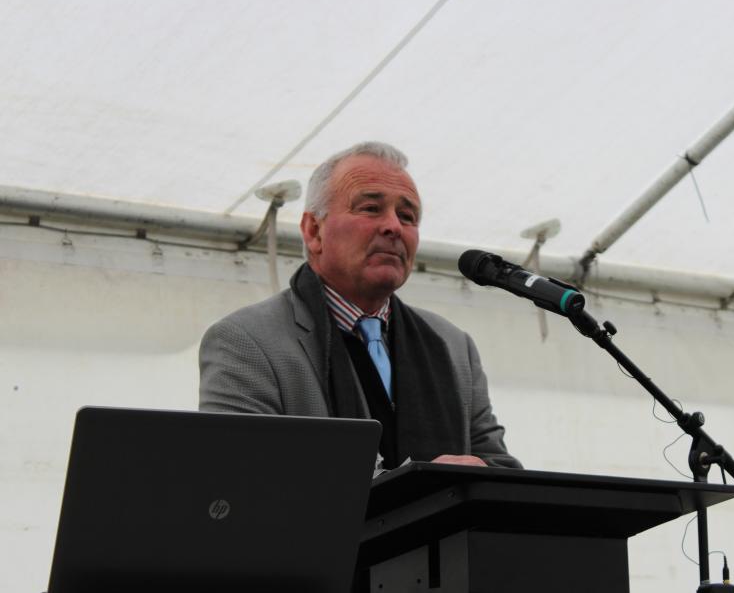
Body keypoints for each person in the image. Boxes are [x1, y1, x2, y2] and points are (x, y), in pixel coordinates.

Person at [199, 142, 520, 469]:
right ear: (314, 231)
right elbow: (240, 480)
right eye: (370, 208)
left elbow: (500, 470)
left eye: (407, 216)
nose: (394, 226)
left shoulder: (453, 346)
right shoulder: (247, 342)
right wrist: (415, 491)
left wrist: (480, 472)